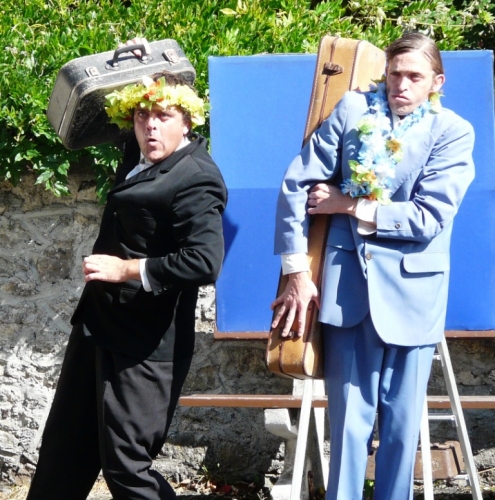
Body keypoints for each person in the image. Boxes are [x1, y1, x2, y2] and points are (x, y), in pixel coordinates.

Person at [271, 32, 475, 500]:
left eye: (415, 76)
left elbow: (427, 218)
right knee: (347, 426)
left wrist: (349, 205)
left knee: (401, 430)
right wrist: (296, 271)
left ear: (437, 82)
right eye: (395, 73)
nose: (401, 84)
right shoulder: (352, 109)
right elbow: (296, 185)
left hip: (414, 294)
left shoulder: (453, 131)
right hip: (348, 291)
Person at [26, 40, 227, 500]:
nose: (150, 126)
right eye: (141, 115)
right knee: (63, 452)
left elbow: (204, 261)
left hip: (144, 344)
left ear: (187, 121)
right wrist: (137, 60)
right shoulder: (141, 153)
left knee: (127, 466)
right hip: (97, 327)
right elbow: (108, 106)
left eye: (163, 116)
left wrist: (126, 270)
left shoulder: (197, 178)